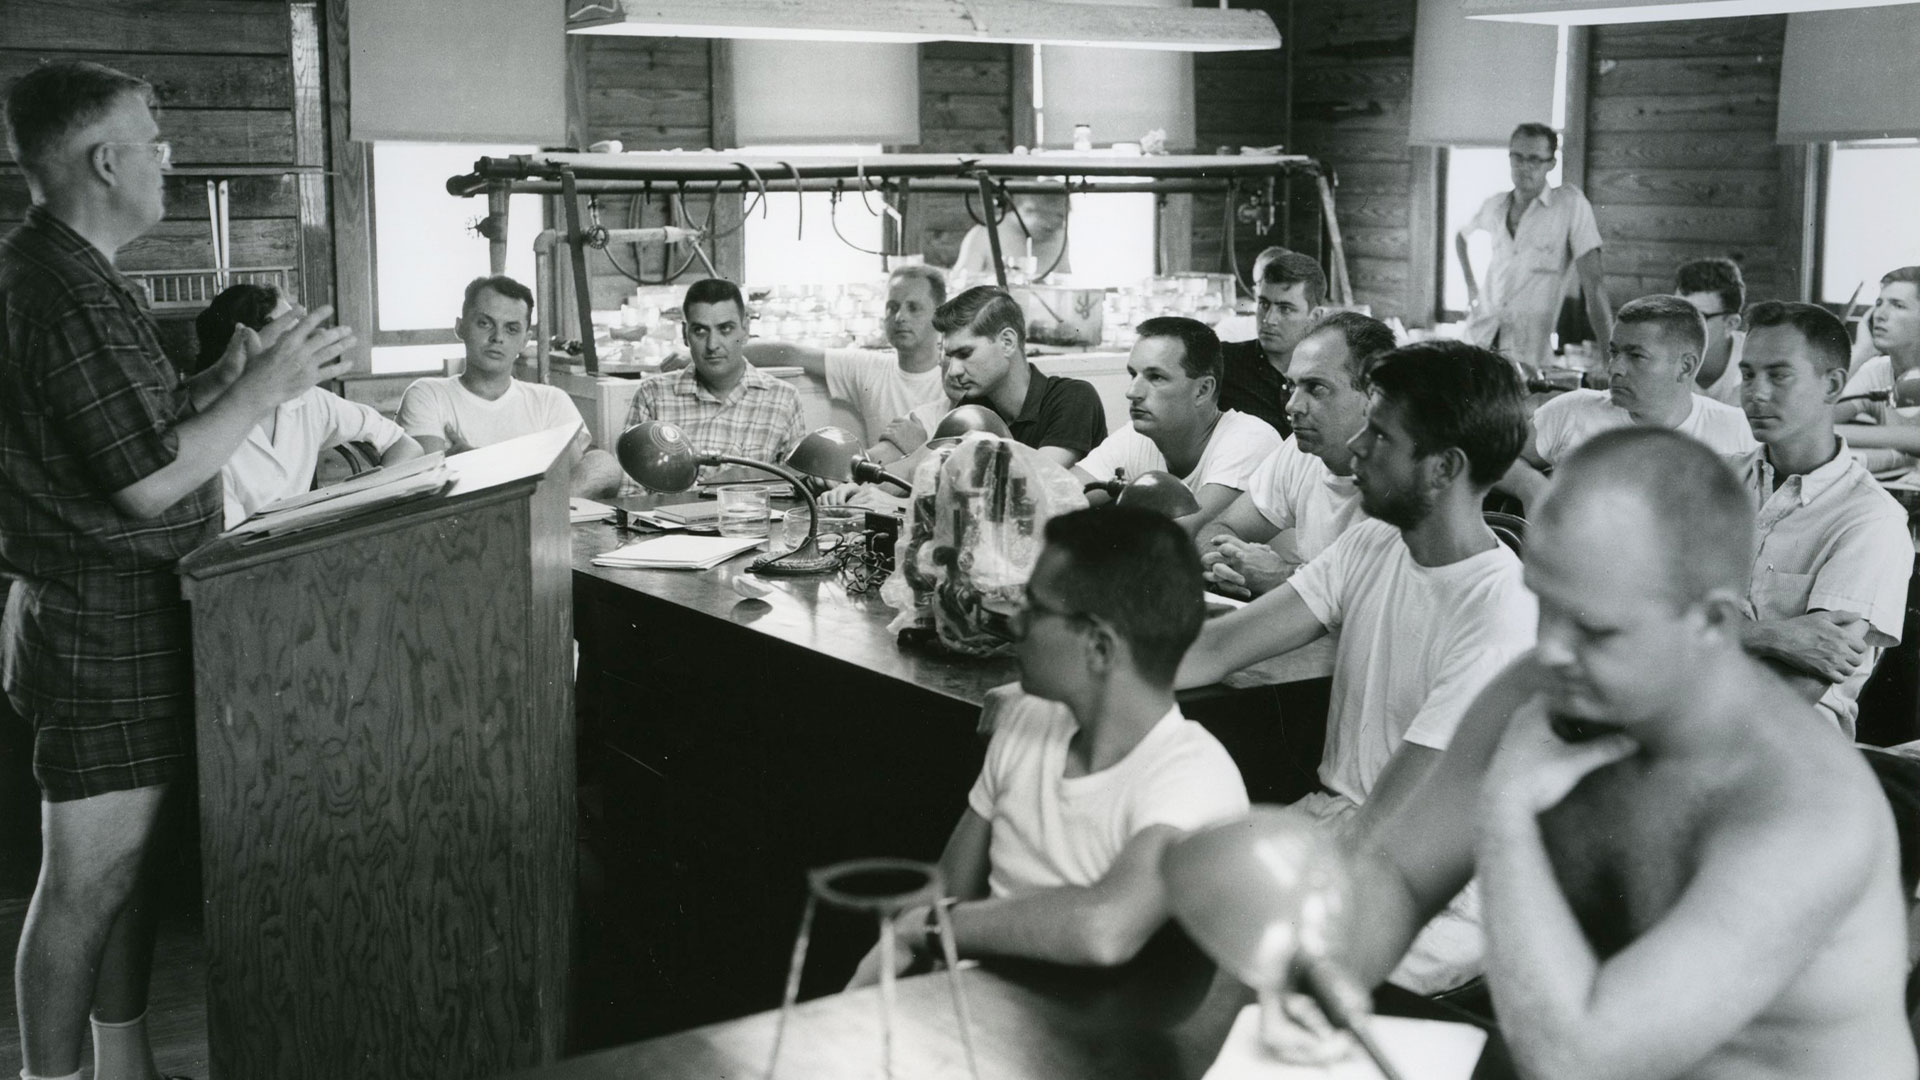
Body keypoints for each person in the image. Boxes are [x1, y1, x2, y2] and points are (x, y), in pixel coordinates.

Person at [1295, 427, 1915, 1080]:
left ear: (1713, 622)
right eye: (1543, 603)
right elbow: (1397, 873)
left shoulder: (1799, 805)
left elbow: (1578, 1060)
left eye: (1594, 628)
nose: (1551, 648)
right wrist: (1302, 1014)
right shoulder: (1544, 686)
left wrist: (1507, 810)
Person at [1, 60, 356, 1080]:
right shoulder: (60, 288)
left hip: (123, 617)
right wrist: (269, 390)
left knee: (118, 880)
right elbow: (149, 482)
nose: (169, 156)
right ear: (103, 160)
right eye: (153, 140)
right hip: (99, 623)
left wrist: (223, 377)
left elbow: (130, 429)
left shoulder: (75, 274)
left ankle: (124, 1064)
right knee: (82, 885)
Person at [1177, 340, 1538, 993]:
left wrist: (1241, 880)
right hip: (1337, 828)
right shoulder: (1376, 540)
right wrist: (1070, 691)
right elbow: (1216, 648)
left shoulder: (1500, 614)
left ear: (1443, 468)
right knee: (1151, 884)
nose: (1359, 448)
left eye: (1381, 434)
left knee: (1205, 961)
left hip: (1427, 891)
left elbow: (1390, 828)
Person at [849, 506, 1248, 985]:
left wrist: (929, 930)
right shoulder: (1027, 720)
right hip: (983, 1020)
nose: (1015, 624)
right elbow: (946, 892)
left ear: (1099, 647)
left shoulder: (1195, 777)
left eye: (1034, 608)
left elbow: (1104, 927)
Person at [1729, 302, 1910, 738]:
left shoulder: (1871, 519)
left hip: (1786, 745)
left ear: (1833, 386)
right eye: (1748, 374)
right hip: (1667, 715)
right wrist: (1773, 636)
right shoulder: (1708, 480)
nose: (1756, 393)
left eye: (1779, 375)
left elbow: (1803, 682)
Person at [1197, 311, 1394, 603]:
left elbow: (1385, 594)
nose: (1292, 405)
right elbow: (1219, 528)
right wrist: (1228, 562)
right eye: (1292, 385)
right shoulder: (1301, 452)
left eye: (1316, 388)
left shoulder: (1407, 473)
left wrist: (1280, 575)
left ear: (1374, 395)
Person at [1499, 294, 1755, 512]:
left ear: (1685, 367)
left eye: (1636, 356)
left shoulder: (1737, 430)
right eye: (1614, 352)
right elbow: (1493, 458)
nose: (1615, 368)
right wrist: (1529, 485)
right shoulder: (1573, 410)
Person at [199, 284, 424, 527]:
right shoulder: (204, 425)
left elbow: (405, 445)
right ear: (245, 343)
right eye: (290, 334)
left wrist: (366, 493)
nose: (304, 346)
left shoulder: (309, 399)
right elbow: (226, 545)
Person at [396, 275, 621, 497]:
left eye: (511, 329)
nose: (497, 337)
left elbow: (577, 476)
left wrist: (480, 463)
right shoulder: (428, 394)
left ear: (525, 339)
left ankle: (539, 510)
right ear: (460, 327)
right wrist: (533, 468)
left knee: (603, 462)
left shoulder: (550, 400)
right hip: (468, 525)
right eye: (485, 324)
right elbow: (428, 487)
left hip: (546, 523)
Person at [1071, 317, 1282, 534]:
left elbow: (1180, 537)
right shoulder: (1137, 436)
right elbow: (1056, 495)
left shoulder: (1250, 440)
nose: (1132, 392)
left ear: (1202, 390)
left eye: (1156, 377)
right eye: (1133, 374)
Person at [706, 265, 948, 445]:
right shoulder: (870, 368)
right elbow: (791, 354)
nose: (900, 317)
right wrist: (707, 353)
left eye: (913, 308)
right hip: (880, 494)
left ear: (939, 314)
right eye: (892, 307)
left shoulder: (954, 378)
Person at [620, 277, 807, 490]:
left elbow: (795, 489)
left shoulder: (783, 398)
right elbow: (630, 491)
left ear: (745, 329)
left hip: (748, 521)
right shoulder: (652, 395)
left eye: (725, 329)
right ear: (684, 334)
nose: (712, 345)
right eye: (700, 330)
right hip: (664, 520)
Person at [1457, 122, 1612, 373]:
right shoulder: (1495, 205)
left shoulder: (1569, 205)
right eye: (1517, 157)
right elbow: (1460, 236)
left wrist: (1609, 361)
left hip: (1528, 354)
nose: (1524, 167)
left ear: (1551, 163)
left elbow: (1594, 285)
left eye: (1535, 160)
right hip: (1478, 339)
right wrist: (1470, 286)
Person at [933, 285, 1106, 469]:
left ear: (1007, 342)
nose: (953, 371)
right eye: (950, 357)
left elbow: (1036, 480)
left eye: (965, 353)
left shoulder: (1074, 397)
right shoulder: (973, 408)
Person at [1219, 248, 1326, 438]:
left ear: (1315, 317)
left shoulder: (1329, 377)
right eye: (1264, 304)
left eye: (1285, 309)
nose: (1269, 319)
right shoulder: (1223, 363)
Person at [1835, 265, 1920, 478]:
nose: (1880, 315)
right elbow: (1814, 418)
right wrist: (1862, 352)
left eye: (1898, 305)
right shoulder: (1876, 371)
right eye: (1879, 304)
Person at [950, 192, 1069, 287]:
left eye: (1060, 218)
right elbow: (961, 285)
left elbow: (1065, 279)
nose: (1055, 228)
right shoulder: (986, 233)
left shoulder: (1059, 236)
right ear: (1027, 210)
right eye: (1046, 228)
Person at [1675, 257, 1746, 407]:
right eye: (1675, 313)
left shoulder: (1756, 358)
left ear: (1730, 324)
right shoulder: (1656, 355)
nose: (1679, 326)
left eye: (1697, 317)